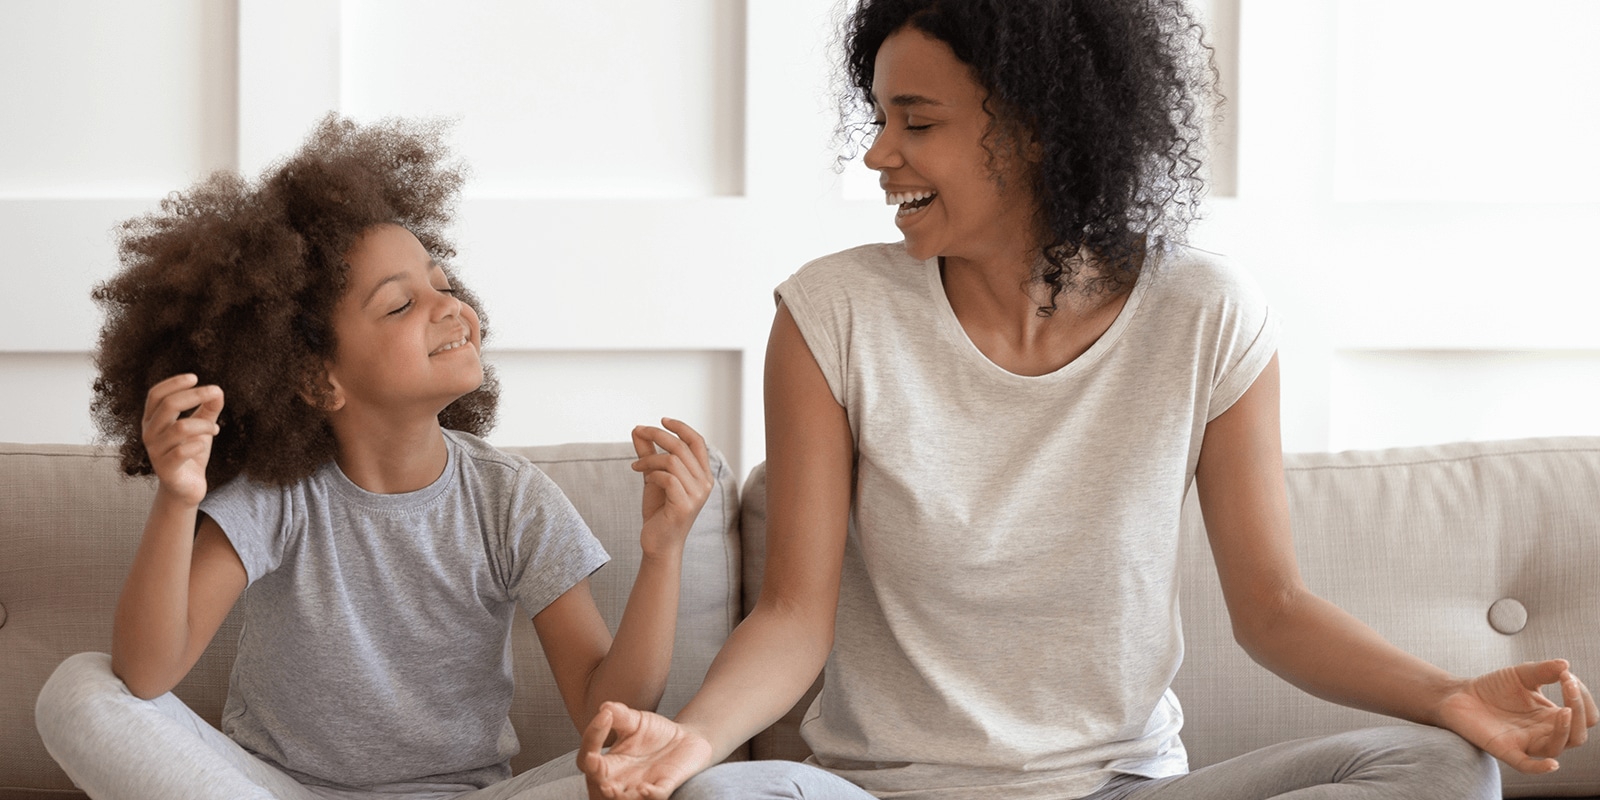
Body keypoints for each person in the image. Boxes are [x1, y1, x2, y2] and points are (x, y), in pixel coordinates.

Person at [577, 1, 1598, 798]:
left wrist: (1450, 694)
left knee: (1440, 769)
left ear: (1034, 126)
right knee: (721, 787)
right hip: (878, 787)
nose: (877, 154)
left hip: (1123, 785)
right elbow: (795, 614)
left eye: (915, 122)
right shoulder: (830, 312)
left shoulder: (1205, 313)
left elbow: (1275, 608)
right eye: (878, 118)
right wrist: (694, 734)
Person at [33, 115, 716, 800]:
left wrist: (664, 551)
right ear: (315, 378)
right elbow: (147, 674)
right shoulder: (279, 496)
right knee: (79, 689)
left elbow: (609, 712)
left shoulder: (512, 498)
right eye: (399, 305)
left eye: (443, 284)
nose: (448, 305)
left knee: (646, 766)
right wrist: (178, 498)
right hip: (279, 791)